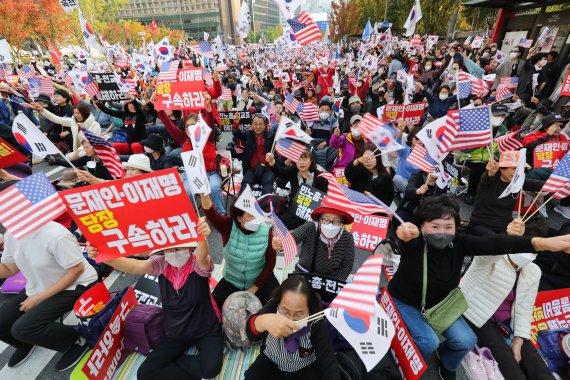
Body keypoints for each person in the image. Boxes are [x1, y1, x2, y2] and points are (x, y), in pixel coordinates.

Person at [390, 195, 570, 380]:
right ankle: (403, 365)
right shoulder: (416, 243)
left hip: (440, 307)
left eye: (448, 226)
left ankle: (446, 361)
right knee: (428, 342)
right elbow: (406, 239)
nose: (442, 232)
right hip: (406, 301)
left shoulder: (458, 243)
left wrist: (542, 243)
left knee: (467, 340)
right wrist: (405, 234)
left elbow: (493, 244)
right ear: (421, 226)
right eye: (434, 226)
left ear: (456, 227)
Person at [87, 218, 223, 380]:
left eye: (179, 247)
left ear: (189, 247)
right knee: (145, 373)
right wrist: (102, 256)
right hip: (175, 331)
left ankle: (171, 363)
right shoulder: (161, 264)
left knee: (211, 369)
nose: (174, 252)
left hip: (206, 328)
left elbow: (203, 257)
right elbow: (133, 266)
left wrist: (202, 237)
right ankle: (176, 365)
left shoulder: (197, 265)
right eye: (169, 249)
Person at [461, 218, 555, 380]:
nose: (529, 254)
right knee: (510, 367)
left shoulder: (533, 271)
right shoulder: (494, 255)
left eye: (534, 251)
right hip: (477, 317)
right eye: (526, 246)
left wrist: (519, 339)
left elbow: (525, 308)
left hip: (506, 323)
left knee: (537, 366)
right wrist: (506, 236)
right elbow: (488, 252)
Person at [0, 217, 98, 371]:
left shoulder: (56, 234)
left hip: (75, 285)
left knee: (23, 328)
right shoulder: (11, 235)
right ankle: (25, 342)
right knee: (3, 323)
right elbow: (9, 269)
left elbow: (76, 271)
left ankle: (79, 339)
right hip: (39, 286)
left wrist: (38, 298)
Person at [244, 276, 340, 380]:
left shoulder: (317, 322)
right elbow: (251, 334)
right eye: (285, 311)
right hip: (271, 359)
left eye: (299, 314)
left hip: (304, 366)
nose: (290, 320)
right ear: (279, 302)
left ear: (309, 308)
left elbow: (328, 364)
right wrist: (263, 321)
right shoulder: (273, 306)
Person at [200, 194, 279, 310]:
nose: (256, 218)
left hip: (259, 280)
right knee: (213, 306)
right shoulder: (228, 226)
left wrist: (254, 287)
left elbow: (270, 264)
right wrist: (203, 195)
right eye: (251, 215)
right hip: (232, 280)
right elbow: (211, 213)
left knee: (276, 302)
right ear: (239, 219)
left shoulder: (266, 232)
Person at [469, 151, 542, 236]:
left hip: (505, 225)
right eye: (513, 168)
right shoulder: (489, 178)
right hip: (481, 224)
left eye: (519, 169)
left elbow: (543, 185)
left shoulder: (519, 181)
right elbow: (487, 177)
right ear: (501, 168)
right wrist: (491, 172)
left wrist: (559, 182)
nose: (517, 172)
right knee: (499, 242)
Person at [274, 206, 355, 281]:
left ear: (342, 223)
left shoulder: (347, 237)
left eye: (336, 221)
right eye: (326, 219)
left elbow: (347, 266)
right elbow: (294, 237)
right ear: (319, 220)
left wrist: (335, 282)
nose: (330, 225)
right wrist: (281, 243)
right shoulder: (310, 228)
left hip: (330, 279)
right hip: (303, 274)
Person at [266, 150, 328, 229]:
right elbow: (279, 171)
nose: (302, 162)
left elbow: (324, 196)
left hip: (312, 214)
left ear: (311, 161)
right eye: (299, 159)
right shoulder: (293, 171)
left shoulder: (319, 176)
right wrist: (272, 161)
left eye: (305, 159)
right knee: (279, 225)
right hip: (295, 210)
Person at [24, 101, 101, 158]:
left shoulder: (94, 125)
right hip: (79, 150)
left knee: (69, 157)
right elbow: (57, 119)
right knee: (71, 161)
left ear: (85, 113)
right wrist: (42, 110)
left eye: (79, 113)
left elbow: (91, 142)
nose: (76, 115)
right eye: (75, 113)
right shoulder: (73, 121)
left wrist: (78, 151)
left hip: (92, 150)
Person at [233, 114, 275, 195]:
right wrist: (236, 123)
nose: (258, 127)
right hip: (251, 169)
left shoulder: (271, 135)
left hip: (266, 169)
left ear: (265, 125)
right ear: (251, 125)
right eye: (255, 124)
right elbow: (236, 134)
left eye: (260, 124)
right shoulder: (247, 134)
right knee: (244, 189)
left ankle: (264, 207)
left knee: (268, 191)